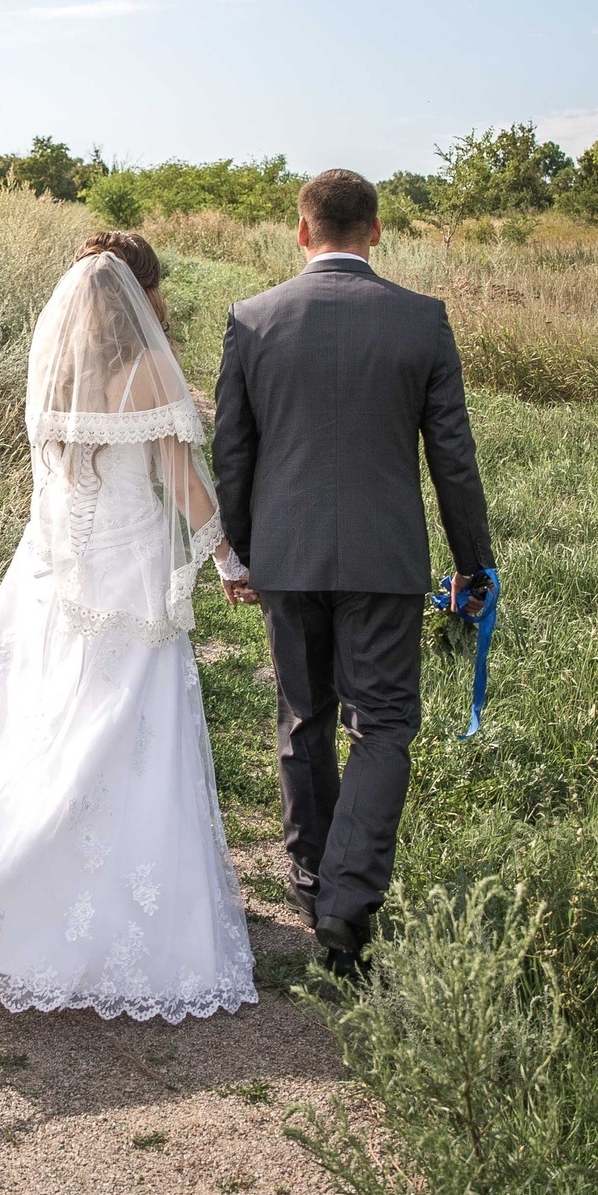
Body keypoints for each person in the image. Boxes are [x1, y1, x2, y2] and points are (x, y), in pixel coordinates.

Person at [0, 231, 257, 1023]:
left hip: (55, 574)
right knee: (120, 738)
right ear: (140, 294)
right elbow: (182, 477)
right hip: (127, 580)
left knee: (50, 729)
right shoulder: (148, 369)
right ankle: (99, 907)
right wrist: (228, 563)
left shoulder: (58, 366)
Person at [211, 168, 495, 976]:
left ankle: (312, 885)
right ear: (376, 231)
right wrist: (475, 564)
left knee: (304, 718)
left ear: (302, 232)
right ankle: (347, 900)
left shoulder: (251, 320)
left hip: (289, 557)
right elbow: (454, 460)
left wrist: (239, 551)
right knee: (383, 726)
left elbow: (233, 453)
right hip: (385, 558)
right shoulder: (421, 321)